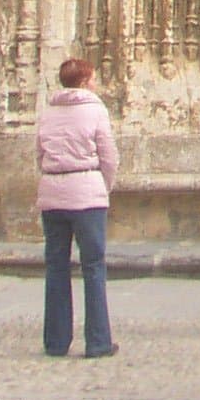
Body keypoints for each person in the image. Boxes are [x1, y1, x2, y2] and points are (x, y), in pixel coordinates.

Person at [35, 57, 119, 359]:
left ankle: (56, 341)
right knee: (93, 266)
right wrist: (102, 185)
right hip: (86, 193)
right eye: (92, 79)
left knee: (56, 266)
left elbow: (39, 153)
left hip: (52, 192)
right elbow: (108, 155)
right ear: (84, 82)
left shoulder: (48, 112)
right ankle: (98, 341)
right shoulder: (95, 110)